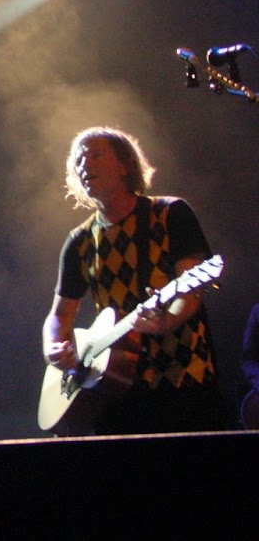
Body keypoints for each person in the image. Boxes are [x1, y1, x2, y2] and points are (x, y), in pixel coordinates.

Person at [42, 126, 225, 434]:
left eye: (96, 155)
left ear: (124, 165)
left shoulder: (170, 213)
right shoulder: (79, 241)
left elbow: (190, 290)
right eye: (79, 160)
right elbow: (60, 315)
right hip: (116, 392)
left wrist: (168, 320)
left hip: (184, 378)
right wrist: (54, 348)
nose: (84, 164)